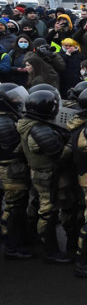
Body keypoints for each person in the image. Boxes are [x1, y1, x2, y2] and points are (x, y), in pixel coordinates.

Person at [17, 89, 76, 264]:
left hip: (41, 173)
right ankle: (50, 251)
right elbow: (59, 154)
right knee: (48, 212)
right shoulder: (40, 130)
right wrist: (73, 142)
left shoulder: (30, 123)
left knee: (41, 207)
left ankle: (33, 237)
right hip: (48, 175)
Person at [0, 85, 33, 260]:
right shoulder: (6, 122)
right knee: (15, 207)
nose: (18, 100)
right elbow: (18, 149)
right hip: (10, 169)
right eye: (14, 98)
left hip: (6, 167)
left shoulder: (7, 118)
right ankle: (12, 246)